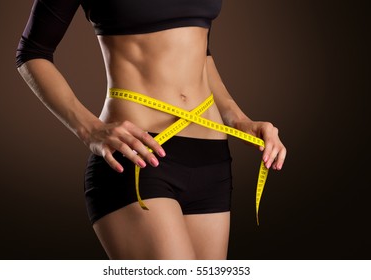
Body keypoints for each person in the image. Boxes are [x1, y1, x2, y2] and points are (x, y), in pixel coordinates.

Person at [16, 0, 286, 260]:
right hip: (139, 155)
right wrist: (89, 128)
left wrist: (239, 119)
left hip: (211, 157)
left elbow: (197, 49)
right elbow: (32, 52)